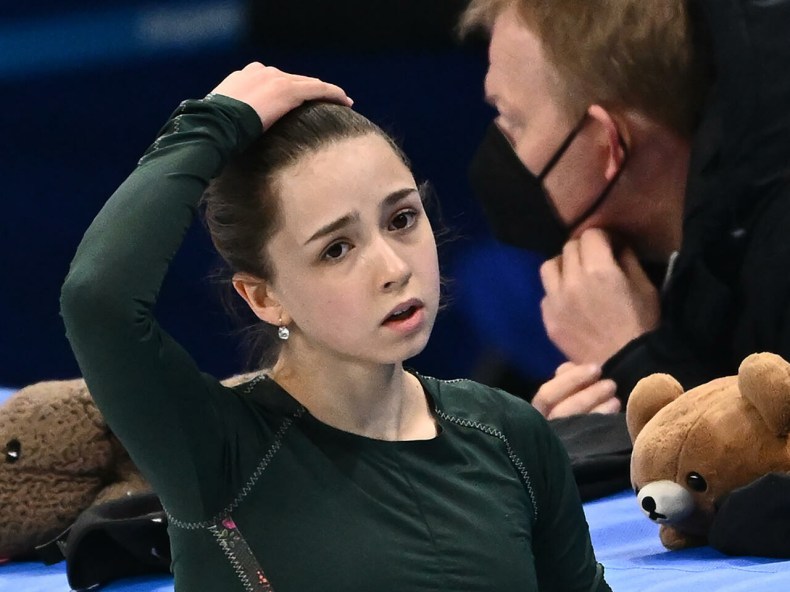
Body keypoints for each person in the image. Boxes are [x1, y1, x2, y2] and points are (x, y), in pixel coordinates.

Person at [60, 63, 610, 591]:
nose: (395, 269)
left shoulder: (512, 436)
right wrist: (211, 123)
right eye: (337, 249)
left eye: (402, 219)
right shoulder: (218, 452)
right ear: (265, 297)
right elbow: (97, 300)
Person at [460, 0, 790, 419]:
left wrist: (635, 362)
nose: (501, 146)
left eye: (514, 121)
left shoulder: (779, 248)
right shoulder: (685, 250)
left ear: (607, 142)